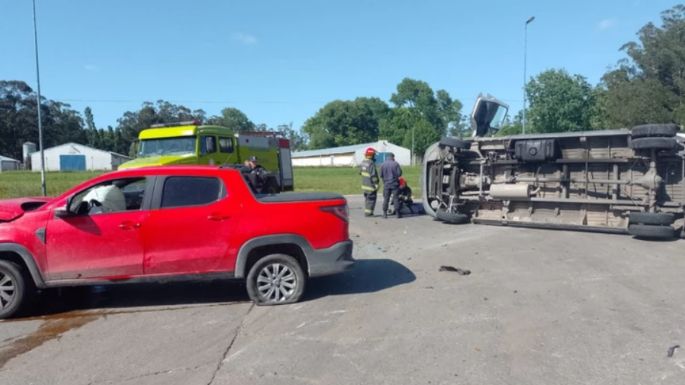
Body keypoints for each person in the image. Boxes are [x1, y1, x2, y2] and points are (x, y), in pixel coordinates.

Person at [380, 152, 402, 218]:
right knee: (396, 198)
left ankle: (384, 214)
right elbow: (399, 174)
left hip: (386, 184)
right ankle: (398, 214)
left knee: (386, 199)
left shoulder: (383, 164)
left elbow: (381, 175)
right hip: (395, 184)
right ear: (392, 157)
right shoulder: (396, 164)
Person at [359, 147, 380, 217]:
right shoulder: (371, 163)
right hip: (370, 186)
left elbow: (360, 172)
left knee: (367, 200)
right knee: (371, 200)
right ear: (371, 155)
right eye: (374, 155)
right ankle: (368, 213)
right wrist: (376, 184)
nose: (374, 157)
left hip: (364, 185)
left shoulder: (363, 162)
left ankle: (367, 212)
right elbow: (373, 175)